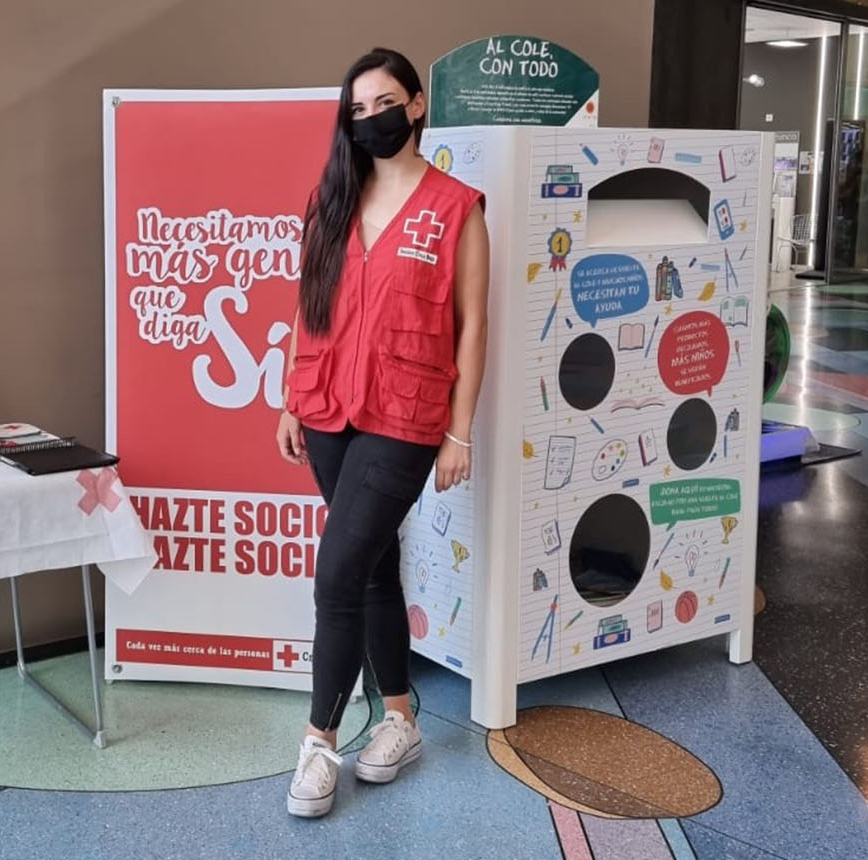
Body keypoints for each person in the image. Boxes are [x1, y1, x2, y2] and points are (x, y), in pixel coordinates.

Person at [276, 47, 489, 818]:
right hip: (328, 406)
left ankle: (315, 745)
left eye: (385, 103)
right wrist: (288, 398)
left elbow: (470, 328)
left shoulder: (457, 206)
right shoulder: (332, 198)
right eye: (358, 109)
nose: (372, 118)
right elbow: (309, 303)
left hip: (405, 416)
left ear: (418, 104)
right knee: (369, 569)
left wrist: (458, 433)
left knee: (335, 576)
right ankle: (400, 717)